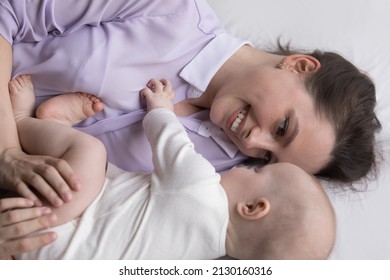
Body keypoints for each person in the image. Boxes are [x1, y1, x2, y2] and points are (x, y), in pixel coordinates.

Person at [0, 0, 381, 210]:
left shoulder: (213, 176)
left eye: (268, 158)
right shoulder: (169, 11)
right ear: (299, 65)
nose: (252, 143)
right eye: (282, 128)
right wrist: (8, 153)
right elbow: (8, 12)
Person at [7, 75, 335, 260]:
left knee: (91, 153)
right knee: (113, 182)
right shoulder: (195, 261)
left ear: (251, 207)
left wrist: (161, 107)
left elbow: (170, 142)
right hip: (42, 252)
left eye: (255, 171)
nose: (244, 164)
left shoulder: (203, 193)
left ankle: (24, 121)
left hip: (53, 221)